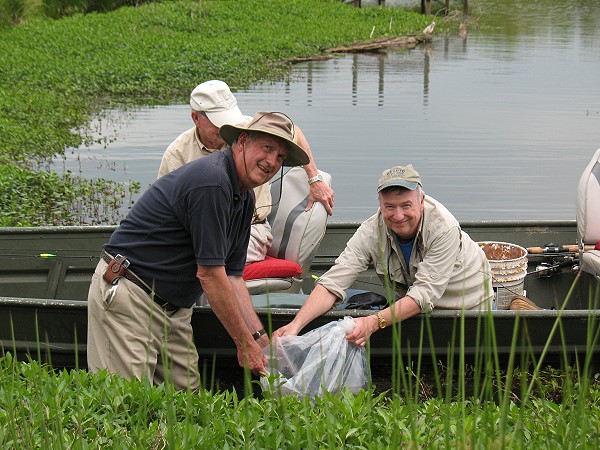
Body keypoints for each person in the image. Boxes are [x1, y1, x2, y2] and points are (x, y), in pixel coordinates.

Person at [87, 111, 310, 390]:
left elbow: (232, 276)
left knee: (186, 396)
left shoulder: (245, 195)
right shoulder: (213, 181)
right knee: (127, 402)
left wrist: (259, 338)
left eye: (280, 157)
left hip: (175, 306)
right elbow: (210, 275)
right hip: (132, 293)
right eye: (267, 148)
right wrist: (243, 345)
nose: (272, 162)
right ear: (241, 141)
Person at [274, 164, 493, 346]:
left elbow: (422, 296)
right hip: (413, 308)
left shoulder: (444, 229)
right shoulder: (371, 230)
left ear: (421, 201)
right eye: (389, 207)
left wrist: (371, 323)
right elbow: (333, 281)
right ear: (379, 204)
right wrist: (295, 326)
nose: (398, 216)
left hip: (466, 309)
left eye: (406, 205)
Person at [158, 80, 334, 263]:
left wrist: (315, 179)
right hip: (197, 231)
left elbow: (294, 132)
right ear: (196, 118)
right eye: (217, 121)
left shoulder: (248, 129)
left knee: (205, 257)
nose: (224, 127)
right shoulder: (177, 153)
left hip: (251, 229)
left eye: (228, 118)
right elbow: (167, 209)